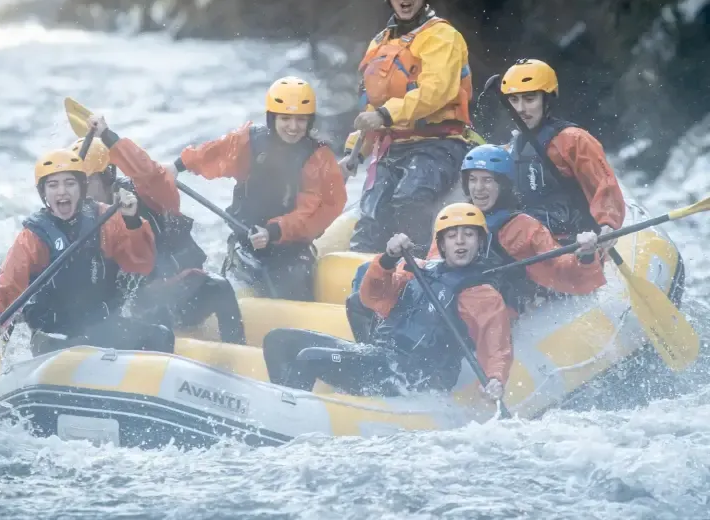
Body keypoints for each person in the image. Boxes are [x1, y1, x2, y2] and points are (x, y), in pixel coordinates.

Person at [263, 203, 514, 401]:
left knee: (309, 357)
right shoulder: (418, 270)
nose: (460, 241)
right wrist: (388, 259)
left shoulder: (483, 295)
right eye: (453, 236)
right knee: (277, 339)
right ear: (442, 244)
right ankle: (285, 404)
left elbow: (497, 347)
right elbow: (370, 297)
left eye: (469, 235)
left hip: (413, 376)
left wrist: (495, 379)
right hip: (382, 356)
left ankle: (289, 413)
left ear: (479, 243)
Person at [340, 0, 483, 257]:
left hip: (439, 145)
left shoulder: (443, 36)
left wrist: (384, 115)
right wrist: (354, 154)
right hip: (393, 148)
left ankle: (414, 272)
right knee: (371, 214)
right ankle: (359, 281)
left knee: (408, 199)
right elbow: (371, 109)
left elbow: (437, 91)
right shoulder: (380, 43)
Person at [0, 149, 175, 356]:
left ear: (81, 188)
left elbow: (141, 263)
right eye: (53, 185)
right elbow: (7, 282)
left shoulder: (105, 218)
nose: (62, 191)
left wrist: (132, 220)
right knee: (77, 347)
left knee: (160, 336)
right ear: (44, 193)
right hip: (54, 335)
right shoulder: (33, 236)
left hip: (101, 327)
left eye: (69, 183)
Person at [69, 116, 246, 345]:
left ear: (107, 176)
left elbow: (150, 174)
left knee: (219, 287)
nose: (81, 192)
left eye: (87, 181)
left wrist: (109, 137)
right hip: (127, 310)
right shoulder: (73, 219)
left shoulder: (146, 195)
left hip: (176, 296)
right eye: (76, 183)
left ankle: (235, 353)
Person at [175, 76, 346, 301]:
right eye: (285, 119)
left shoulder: (317, 158)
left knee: (292, 282)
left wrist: (273, 232)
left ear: (309, 122)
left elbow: (311, 212)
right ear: (272, 118)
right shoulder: (249, 142)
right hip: (246, 243)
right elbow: (213, 153)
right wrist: (178, 166)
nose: (293, 128)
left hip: (289, 250)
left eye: (301, 120)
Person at [452, 143, 607, 311]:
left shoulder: (523, 226)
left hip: (512, 313)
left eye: (487, 180)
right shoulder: (454, 221)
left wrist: (585, 255)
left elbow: (559, 265)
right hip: (468, 312)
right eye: (473, 180)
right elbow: (435, 264)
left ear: (503, 185)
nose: (478, 188)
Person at [500, 59, 625, 246]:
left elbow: (604, 185)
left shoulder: (574, 140)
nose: (520, 109)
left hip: (577, 242)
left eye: (529, 99)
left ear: (547, 99)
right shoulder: (511, 148)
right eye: (514, 100)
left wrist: (607, 224)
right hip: (533, 245)